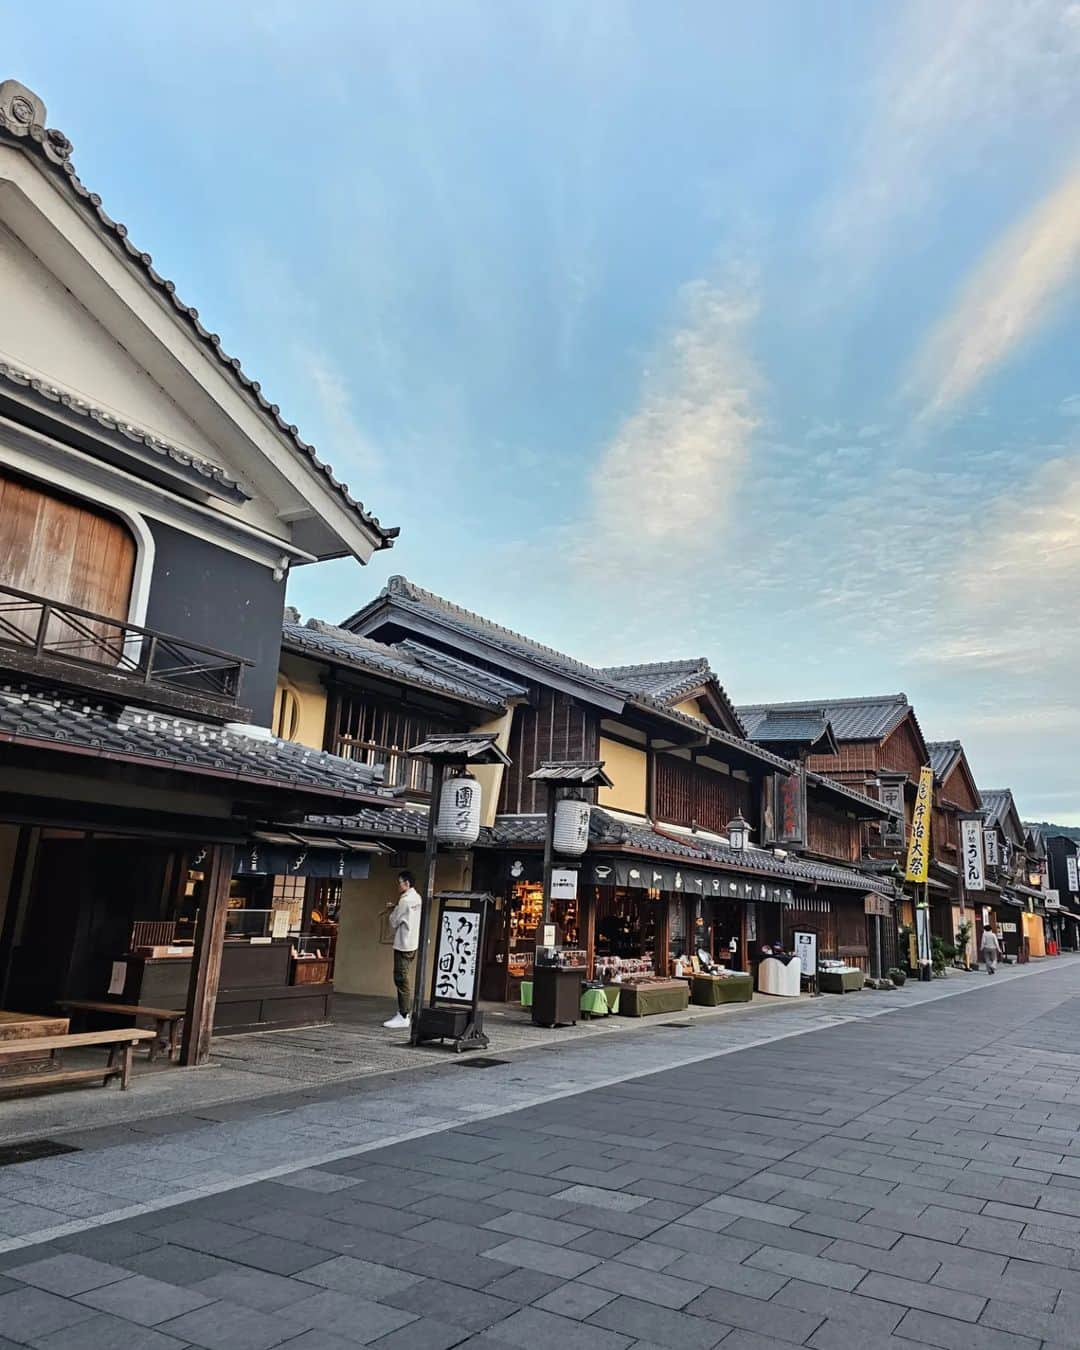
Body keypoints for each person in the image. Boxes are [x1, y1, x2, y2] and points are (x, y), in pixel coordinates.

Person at [383, 870, 421, 1028]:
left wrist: (392, 910)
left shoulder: (405, 901)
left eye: (399, 882)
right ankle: (404, 1013)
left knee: (401, 978)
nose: (397, 885)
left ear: (406, 883)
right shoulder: (417, 898)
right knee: (404, 977)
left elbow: (394, 921)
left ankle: (404, 1013)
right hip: (413, 942)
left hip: (403, 943)